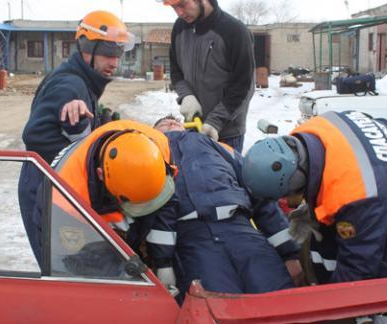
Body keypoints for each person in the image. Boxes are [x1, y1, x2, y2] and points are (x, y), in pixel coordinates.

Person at [242, 111, 387, 324]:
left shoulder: (357, 195)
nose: (290, 203)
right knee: (328, 242)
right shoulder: (305, 137)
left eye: (288, 196)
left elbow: (359, 263)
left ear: (297, 178)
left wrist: (332, 315)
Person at [18, 10, 135, 258]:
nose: (114, 62)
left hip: (53, 183)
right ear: (86, 47)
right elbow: (36, 136)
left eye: (119, 54)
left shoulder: (82, 80)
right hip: (45, 187)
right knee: (62, 268)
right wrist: (88, 162)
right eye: (108, 54)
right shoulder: (71, 85)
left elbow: (67, 126)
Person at [150, 116, 299, 300]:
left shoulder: (220, 148)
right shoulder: (150, 154)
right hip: (193, 238)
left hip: (240, 229)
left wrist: (290, 253)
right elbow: (154, 208)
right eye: (164, 124)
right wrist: (163, 263)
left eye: (175, 122)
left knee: (278, 296)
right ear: (153, 133)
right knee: (217, 305)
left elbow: (258, 189)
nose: (171, 124)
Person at [31, 120, 177, 266]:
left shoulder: (160, 147)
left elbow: (165, 206)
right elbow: (74, 267)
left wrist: (163, 262)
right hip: (65, 217)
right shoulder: (66, 200)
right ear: (101, 174)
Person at [159, 0, 255, 152]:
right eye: (173, 7)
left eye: (182, 4)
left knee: (223, 175)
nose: (179, 13)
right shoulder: (179, 28)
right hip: (192, 128)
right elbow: (176, 71)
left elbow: (244, 86)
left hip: (226, 135)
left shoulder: (235, 31)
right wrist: (186, 95)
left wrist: (215, 121)